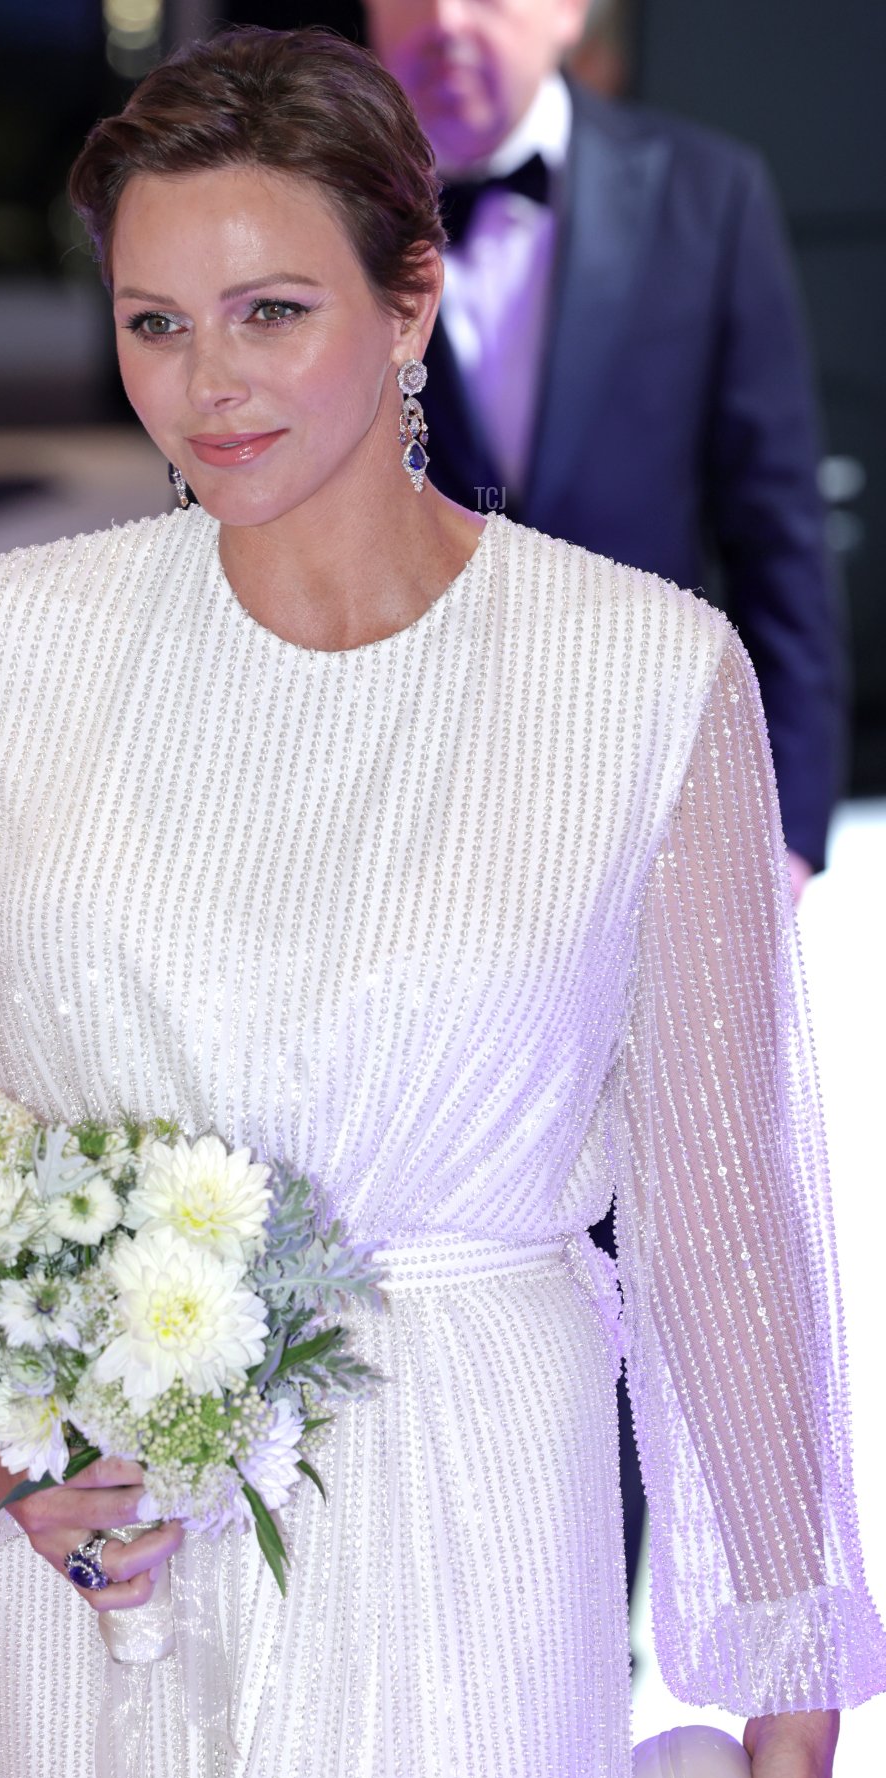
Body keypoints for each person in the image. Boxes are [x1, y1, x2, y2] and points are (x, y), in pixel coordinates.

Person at [0, 26, 885, 1778]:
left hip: (466, 1504)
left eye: (271, 311)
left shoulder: (643, 679)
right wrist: (3, 1437)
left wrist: (785, 1664)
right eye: (155, 324)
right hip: (110, 1571)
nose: (207, 384)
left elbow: (724, 1204)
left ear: (413, 298)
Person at [361, 0, 849, 1621]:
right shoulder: (315, 201)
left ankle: (584, 1635)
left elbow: (775, 528)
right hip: (387, 823)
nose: (450, 20)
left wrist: (783, 827)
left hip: (639, 826)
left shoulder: (703, 193)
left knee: (637, 1243)